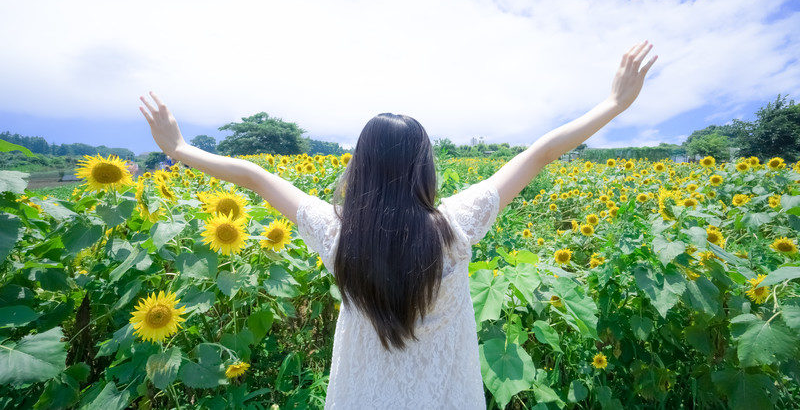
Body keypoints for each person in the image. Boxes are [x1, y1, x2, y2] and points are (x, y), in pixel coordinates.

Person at [138, 40, 657, 408]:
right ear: (425, 167)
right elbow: (540, 153)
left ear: (358, 167)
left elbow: (255, 177)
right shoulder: (455, 225)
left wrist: (180, 150)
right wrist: (614, 103)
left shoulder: (336, 232)